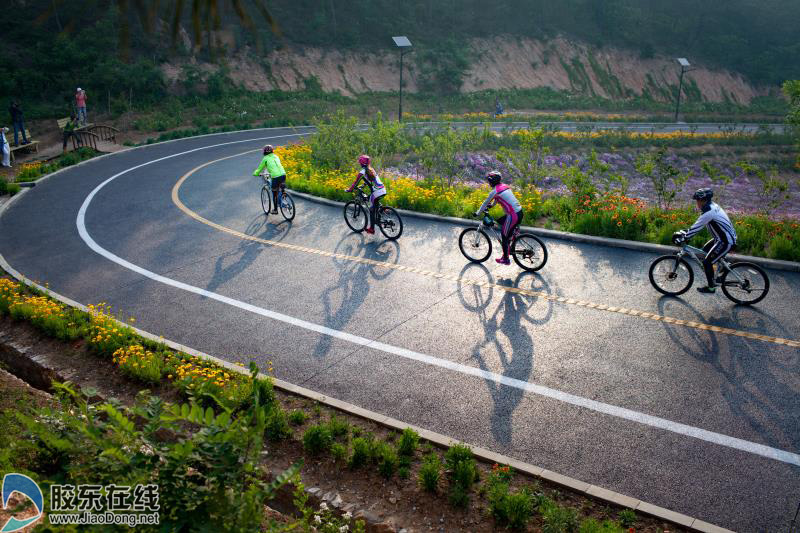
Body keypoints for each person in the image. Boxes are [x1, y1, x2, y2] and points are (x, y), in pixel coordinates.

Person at [673, 188, 737, 294]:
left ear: (704, 200)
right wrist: (687, 232)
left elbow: (697, 227)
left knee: (707, 262)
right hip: (722, 238)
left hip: (725, 241)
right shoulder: (712, 206)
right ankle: (724, 269)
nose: (697, 202)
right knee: (705, 251)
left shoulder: (709, 212)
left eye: (698, 200)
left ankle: (711, 287)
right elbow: (696, 225)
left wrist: (683, 237)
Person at [474, 171, 523, 265]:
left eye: (489, 181)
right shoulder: (504, 186)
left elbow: (485, 203)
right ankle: (514, 232)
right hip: (519, 212)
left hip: (513, 215)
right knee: (500, 221)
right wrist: (492, 205)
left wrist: (477, 213)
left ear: (491, 182)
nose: (488, 183)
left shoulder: (494, 191)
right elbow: (498, 198)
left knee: (504, 235)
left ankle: (505, 259)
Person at [345, 154, 386, 235]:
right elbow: (372, 180)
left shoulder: (362, 171)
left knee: (371, 208)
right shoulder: (371, 169)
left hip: (376, 192)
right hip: (383, 189)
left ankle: (371, 229)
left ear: (361, 163)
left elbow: (355, 182)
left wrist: (350, 189)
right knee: (374, 201)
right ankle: (383, 209)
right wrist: (364, 185)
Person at [252, 144, 286, 214]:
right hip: (283, 174)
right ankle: (284, 198)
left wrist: (255, 173)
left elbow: (259, 169)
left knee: (274, 193)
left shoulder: (265, 159)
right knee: (281, 188)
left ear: (264, 152)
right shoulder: (276, 156)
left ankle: (275, 210)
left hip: (275, 177)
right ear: (272, 150)